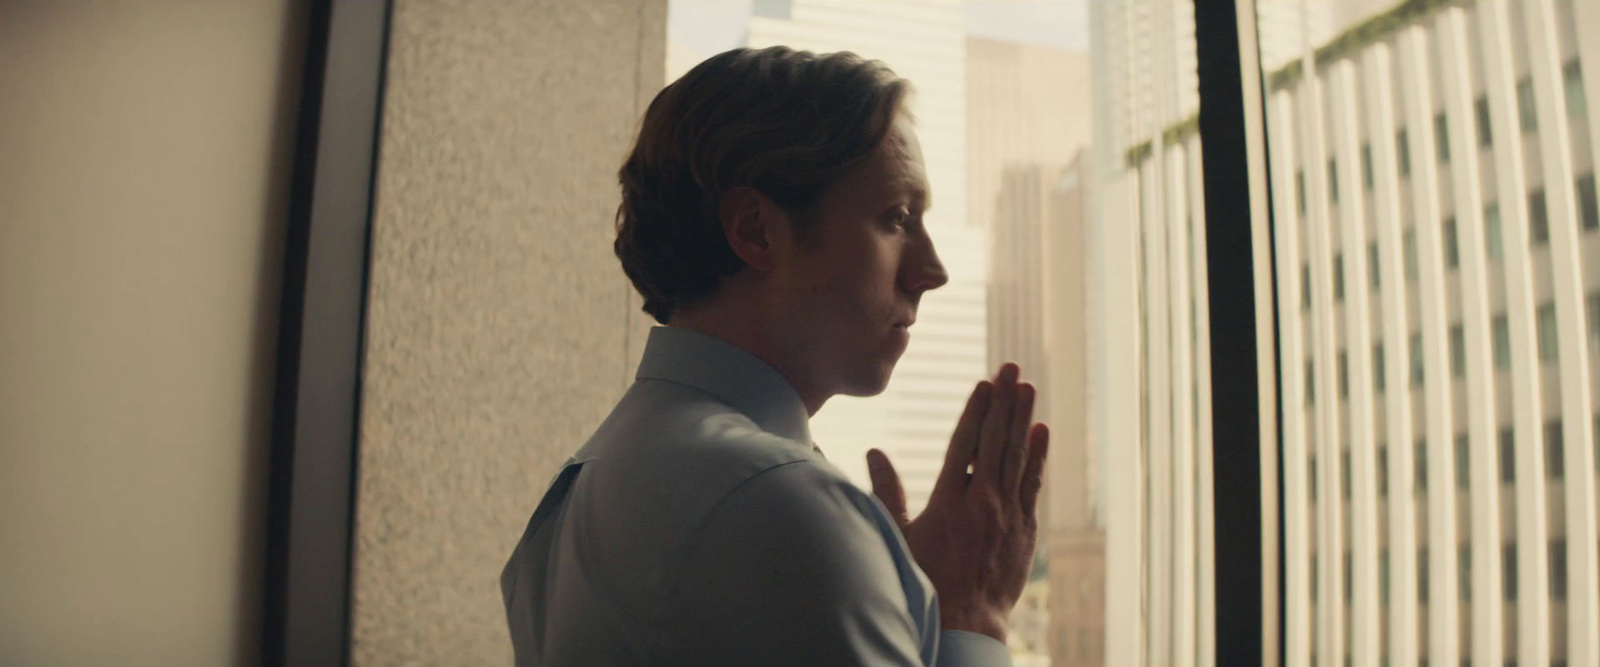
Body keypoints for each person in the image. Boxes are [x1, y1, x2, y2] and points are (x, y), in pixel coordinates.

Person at [501, 45, 1050, 667]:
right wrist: (969, 618)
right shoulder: (779, 503)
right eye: (896, 218)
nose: (932, 272)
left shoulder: (584, 485)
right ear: (757, 230)